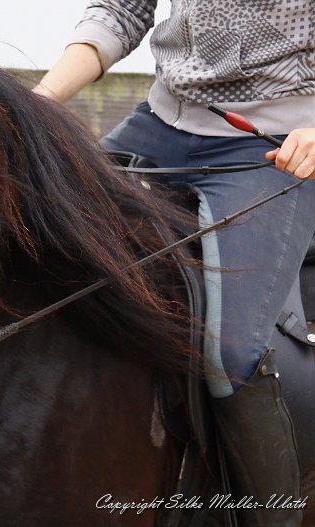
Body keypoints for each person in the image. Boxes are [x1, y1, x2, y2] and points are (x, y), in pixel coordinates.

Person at [34, 2, 315, 526]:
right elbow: (121, 10)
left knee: (231, 353)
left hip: (276, 146)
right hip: (159, 123)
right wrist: (42, 101)